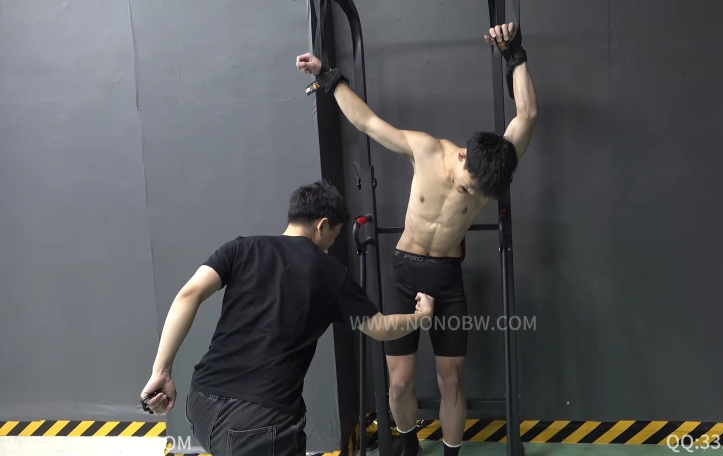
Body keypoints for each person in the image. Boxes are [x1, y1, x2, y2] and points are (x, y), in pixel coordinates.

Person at [296, 22, 538, 456]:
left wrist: (514, 54)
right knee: (399, 381)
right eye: (467, 184)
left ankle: (451, 453)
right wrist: (327, 76)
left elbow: (528, 115)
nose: (470, 193)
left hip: (448, 277)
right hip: (404, 273)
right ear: (461, 155)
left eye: (478, 192)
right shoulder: (426, 150)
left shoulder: (495, 165)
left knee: (452, 380)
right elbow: (368, 122)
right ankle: (408, 446)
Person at [139, 180, 435, 456]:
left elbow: (188, 295)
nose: (332, 242)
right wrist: (420, 317)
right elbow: (381, 328)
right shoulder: (331, 274)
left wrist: (161, 371)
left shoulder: (241, 248)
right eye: (335, 233)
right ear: (322, 225)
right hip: (258, 421)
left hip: (201, 405)